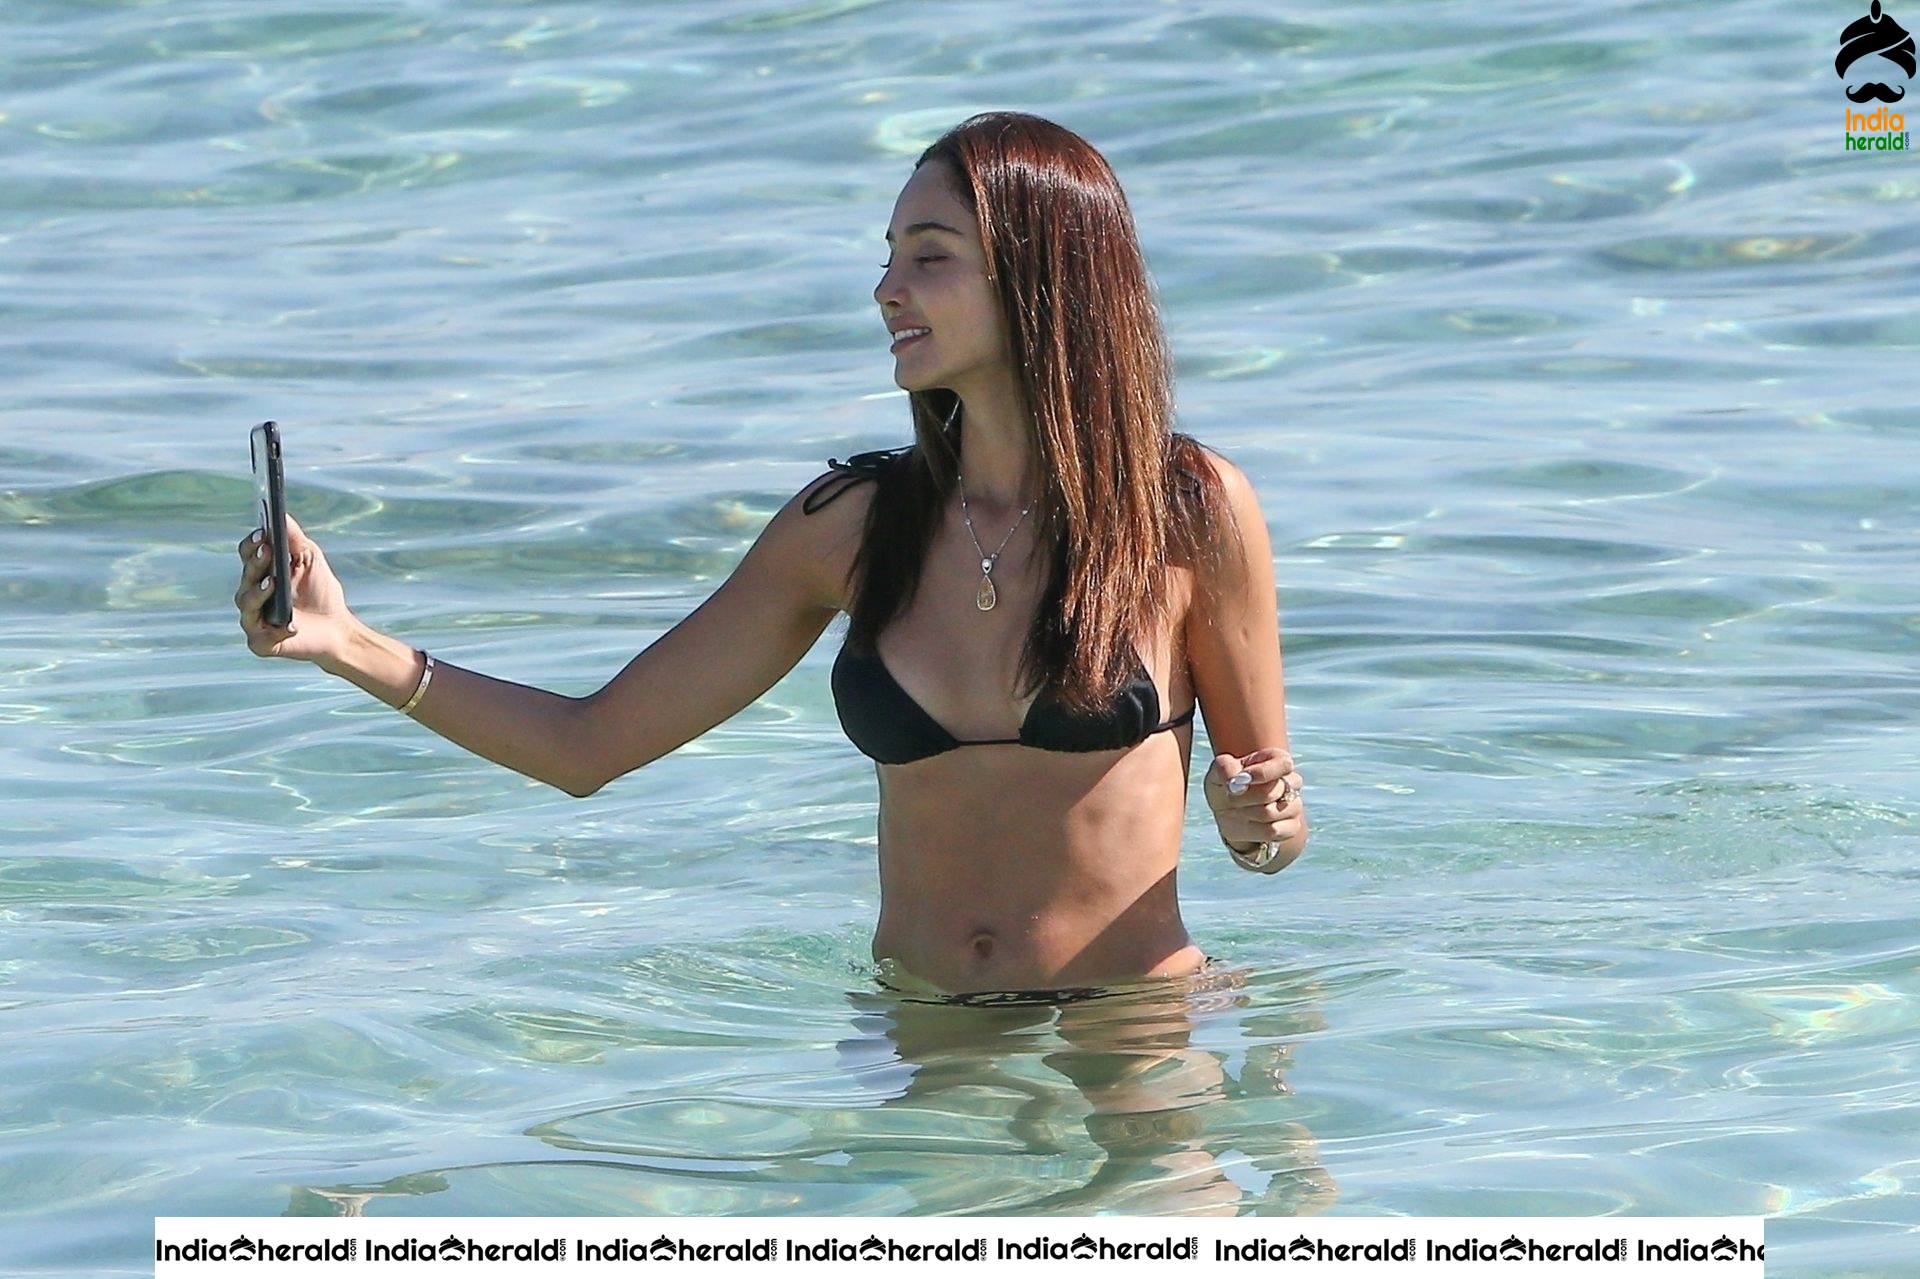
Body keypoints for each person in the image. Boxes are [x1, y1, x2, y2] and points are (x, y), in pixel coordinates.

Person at [231, 110, 1306, 1001]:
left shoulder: (1187, 512)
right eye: (887, 258)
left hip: (1135, 1033)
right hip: (926, 1040)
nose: (888, 289)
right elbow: (586, 744)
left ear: (1042, 281)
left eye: (928, 258)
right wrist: (347, 644)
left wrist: (1254, 822)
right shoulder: (849, 528)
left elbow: (1271, 830)